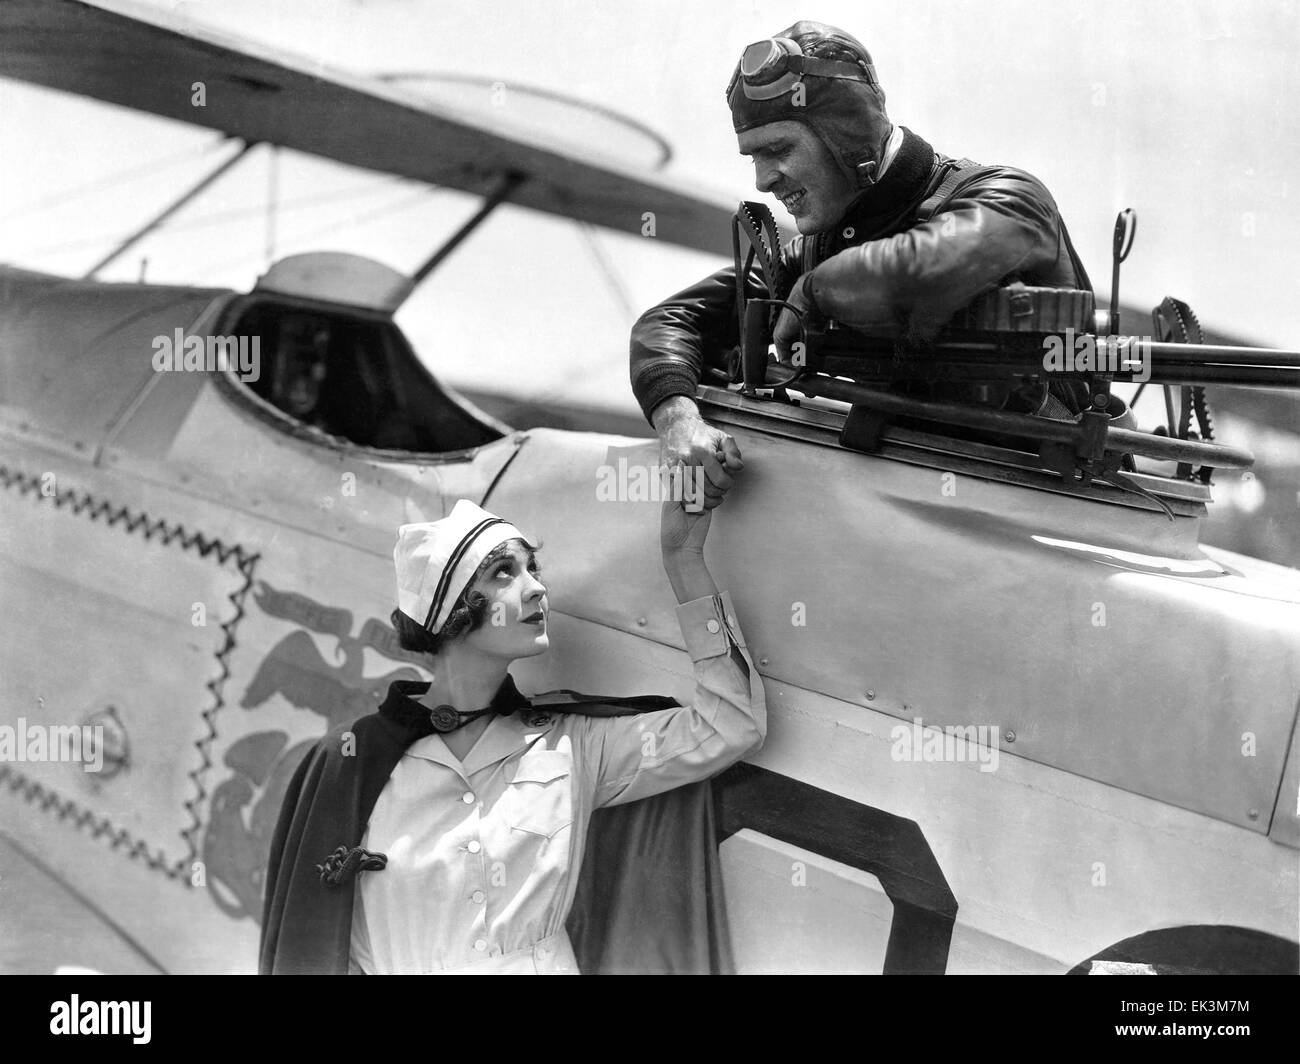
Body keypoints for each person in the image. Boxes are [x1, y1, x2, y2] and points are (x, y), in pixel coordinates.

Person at [259, 497, 765, 974]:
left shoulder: (575, 744)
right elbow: (315, 944)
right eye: (505, 572)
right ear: (452, 610)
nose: (537, 587)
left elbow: (729, 724)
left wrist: (682, 558)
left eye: (533, 568)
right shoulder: (351, 759)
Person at [630, 20, 1095, 509]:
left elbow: (926, 271)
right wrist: (678, 418)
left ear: (847, 138)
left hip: (1068, 511)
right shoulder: (815, 252)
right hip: (912, 512)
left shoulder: (1009, 198)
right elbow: (673, 321)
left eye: (779, 149)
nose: (764, 180)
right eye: (754, 158)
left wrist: (811, 292)